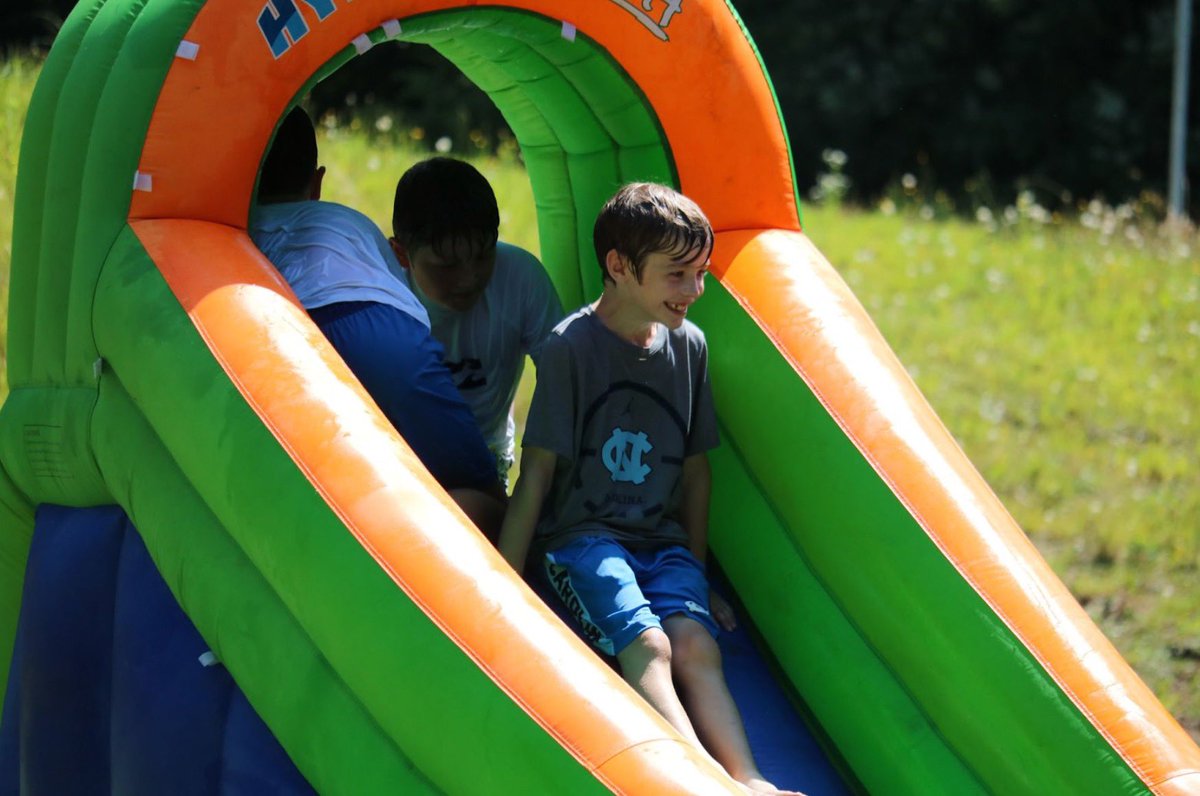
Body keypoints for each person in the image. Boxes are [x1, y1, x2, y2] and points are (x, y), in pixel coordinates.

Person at [498, 183, 797, 794]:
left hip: (660, 544)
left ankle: (750, 777)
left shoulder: (690, 347)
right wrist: (501, 577)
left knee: (696, 648)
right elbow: (539, 473)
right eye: (678, 275)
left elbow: (695, 471)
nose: (694, 291)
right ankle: (697, 780)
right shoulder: (569, 349)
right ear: (619, 267)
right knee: (651, 645)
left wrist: (697, 568)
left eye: (700, 274)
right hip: (583, 539)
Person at [249, 107, 506, 536]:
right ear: (317, 182)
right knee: (477, 492)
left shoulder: (234, 225)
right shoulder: (343, 219)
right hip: (383, 332)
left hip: (281, 332)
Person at [389, 158, 564, 489]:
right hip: (401, 464)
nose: (469, 278)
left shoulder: (521, 278)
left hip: (486, 462)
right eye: (448, 266)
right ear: (401, 254)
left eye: (484, 255)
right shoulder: (386, 295)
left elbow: (567, 382)